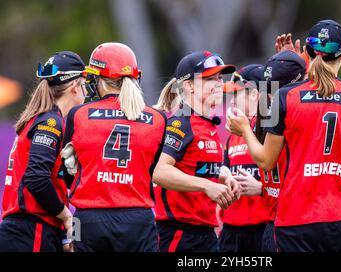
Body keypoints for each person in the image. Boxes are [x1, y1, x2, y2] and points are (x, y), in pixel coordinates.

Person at [227, 19, 341, 252]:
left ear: (308, 53)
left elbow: (266, 161)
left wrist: (245, 130)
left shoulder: (284, 98)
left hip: (296, 220)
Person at [61, 42, 166, 252]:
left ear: (98, 79)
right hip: (139, 219)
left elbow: (67, 175)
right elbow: (151, 171)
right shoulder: (158, 118)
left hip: (88, 219)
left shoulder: (78, 114)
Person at [152, 50, 240, 252]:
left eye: (219, 77)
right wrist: (206, 186)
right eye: (210, 79)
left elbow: (192, 165)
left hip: (206, 232)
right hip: (179, 233)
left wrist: (221, 175)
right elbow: (160, 172)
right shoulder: (181, 122)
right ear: (189, 85)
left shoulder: (208, 124)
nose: (219, 83)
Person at [0, 51, 86, 252]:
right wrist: (66, 217)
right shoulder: (49, 121)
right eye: (84, 83)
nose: (86, 90)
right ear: (74, 86)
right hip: (31, 231)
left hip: (25, 230)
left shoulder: (39, 119)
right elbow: (37, 179)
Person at [218, 64, 271, 252]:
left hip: (263, 228)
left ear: (255, 95)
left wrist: (261, 188)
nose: (230, 102)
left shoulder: (271, 131)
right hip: (231, 231)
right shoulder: (233, 134)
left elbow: (293, 181)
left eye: (236, 95)